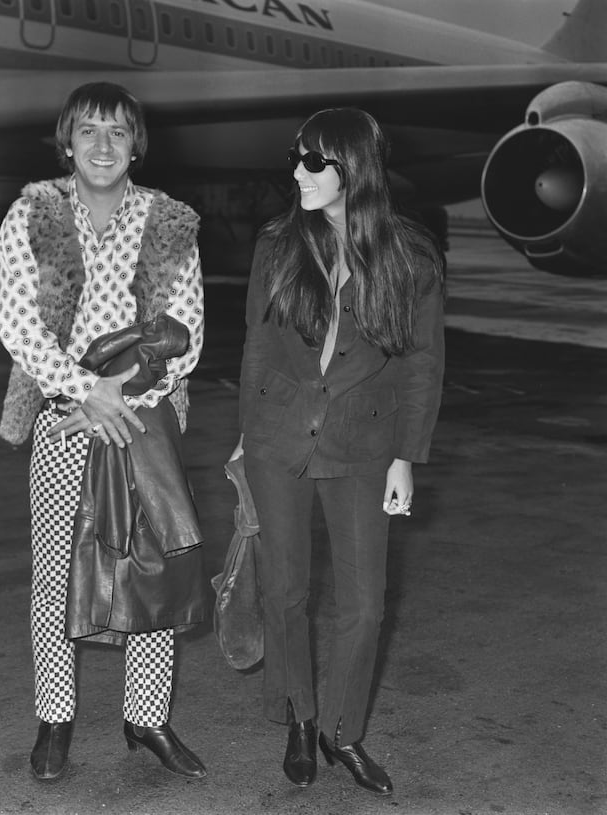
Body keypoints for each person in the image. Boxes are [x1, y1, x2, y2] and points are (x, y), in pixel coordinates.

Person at [0, 82, 207, 781]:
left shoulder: (171, 223)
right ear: (66, 141)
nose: (104, 145)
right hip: (65, 425)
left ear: (136, 143)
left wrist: (123, 400)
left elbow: (189, 336)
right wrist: (87, 394)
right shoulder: (33, 214)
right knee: (55, 577)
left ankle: (146, 717)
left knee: (149, 571)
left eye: (118, 131)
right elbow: (18, 325)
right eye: (89, 130)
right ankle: (54, 718)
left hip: (143, 428)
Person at [231, 108, 445, 793]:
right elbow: (258, 348)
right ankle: (299, 714)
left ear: (354, 170)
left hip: (364, 442)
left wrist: (406, 456)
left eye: (314, 162)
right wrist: (245, 436)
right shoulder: (276, 245)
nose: (298, 173)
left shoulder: (410, 257)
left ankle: (342, 731)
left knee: (366, 604)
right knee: (284, 591)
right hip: (278, 437)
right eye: (297, 159)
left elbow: (421, 365)